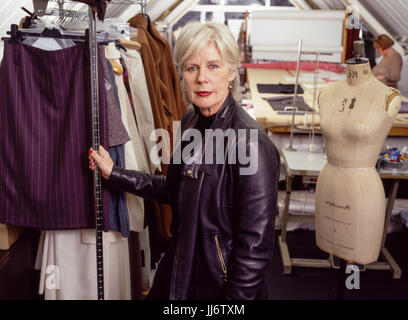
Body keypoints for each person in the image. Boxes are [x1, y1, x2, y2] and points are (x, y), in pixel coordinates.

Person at [89, 21, 280, 300]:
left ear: (231, 72)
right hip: (180, 272)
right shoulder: (191, 121)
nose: (202, 78)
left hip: (219, 290)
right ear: (182, 74)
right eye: (192, 68)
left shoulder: (250, 143)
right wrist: (115, 173)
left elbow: (255, 252)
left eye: (213, 66)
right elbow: (174, 189)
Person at [315, 54, 401, 264]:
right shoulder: (327, 93)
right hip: (327, 181)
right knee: (328, 250)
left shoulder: (387, 96)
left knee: (357, 255)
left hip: (362, 189)